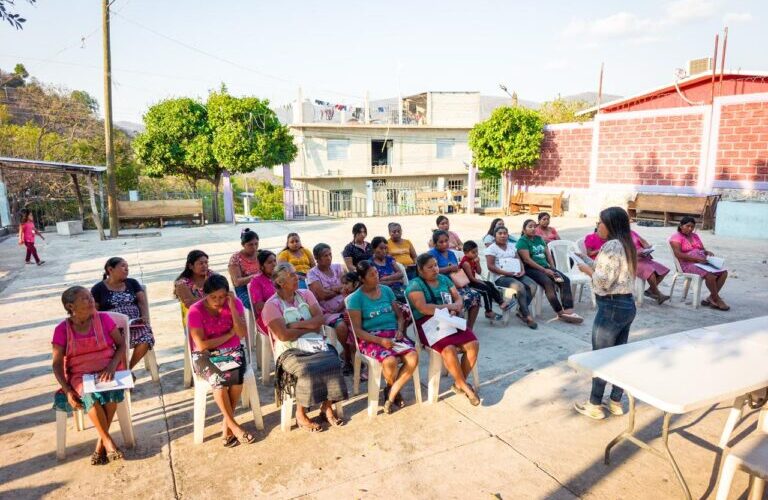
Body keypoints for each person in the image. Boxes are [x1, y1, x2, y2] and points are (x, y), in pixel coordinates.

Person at [262, 263, 348, 432]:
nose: (297, 278)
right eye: (292, 276)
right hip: (289, 350)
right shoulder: (272, 305)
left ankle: (326, 406)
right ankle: (300, 414)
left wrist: (296, 325)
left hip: (315, 342)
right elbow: (283, 335)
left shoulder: (306, 295)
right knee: (307, 369)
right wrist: (309, 327)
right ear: (280, 282)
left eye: (295, 274)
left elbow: (320, 321)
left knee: (334, 361)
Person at [573, 207, 638, 420]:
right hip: (626, 304)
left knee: (601, 357)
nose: (597, 226)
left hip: (611, 306)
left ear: (610, 225)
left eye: (600, 222)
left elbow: (602, 280)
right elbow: (610, 271)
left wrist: (586, 270)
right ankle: (616, 401)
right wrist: (587, 260)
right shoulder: (626, 244)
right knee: (618, 355)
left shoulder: (611, 245)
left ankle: (594, 404)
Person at [52, 286, 127, 464]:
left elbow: (121, 345)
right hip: (80, 375)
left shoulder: (104, 319)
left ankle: (101, 445)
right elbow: (56, 364)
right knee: (89, 396)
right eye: (84, 298)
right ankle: (106, 441)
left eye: (91, 297)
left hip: (109, 369)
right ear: (71, 306)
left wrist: (111, 366)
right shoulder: (62, 329)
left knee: (110, 395)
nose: (91, 300)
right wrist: (68, 390)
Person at [187, 274, 256, 446]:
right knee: (219, 380)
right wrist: (229, 334)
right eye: (213, 297)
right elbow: (202, 345)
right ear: (205, 294)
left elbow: (241, 333)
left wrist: (232, 306)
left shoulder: (234, 304)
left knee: (237, 380)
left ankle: (227, 426)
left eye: (222, 296)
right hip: (205, 356)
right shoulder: (195, 311)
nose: (218, 301)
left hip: (232, 352)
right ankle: (233, 425)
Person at [407, 253, 480, 406]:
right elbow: (423, 308)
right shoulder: (415, 285)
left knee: (473, 344)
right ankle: (466, 387)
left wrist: (456, 306)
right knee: (448, 349)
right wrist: (449, 307)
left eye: (436, 265)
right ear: (420, 270)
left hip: (449, 318)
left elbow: (457, 297)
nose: (435, 269)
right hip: (428, 323)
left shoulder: (444, 279)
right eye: (430, 267)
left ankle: (459, 383)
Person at [346, 261, 419, 413]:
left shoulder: (386, 290)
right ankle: (393, 392)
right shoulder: (355, 299)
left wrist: (400, 330)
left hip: (393, 334)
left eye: (376, 273)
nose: (376, 276)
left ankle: (391, 392)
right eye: (372, 275)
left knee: (413, 356)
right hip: (370, 338)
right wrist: (380, 341)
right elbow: (357, 331)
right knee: (390, 361)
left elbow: (400, 316)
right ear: (362, 279)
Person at [91, 257, 155, 372]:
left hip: (134, 325)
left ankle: (127, 370)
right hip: (112, 329)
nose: (127, 269)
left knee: (146, 339)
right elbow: (95, 312)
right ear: (110, 269)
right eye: (123, 266)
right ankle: (122, 370)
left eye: (127, 267)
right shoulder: (98, 288)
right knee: (112, 346)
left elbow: (141, 301)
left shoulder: (132, 283)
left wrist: (144, 315)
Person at [517, 220, 583, 324]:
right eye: (530, 226)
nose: (533, 228)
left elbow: (548, 255)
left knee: (563, 280)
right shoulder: (522, 241)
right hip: (531, 270)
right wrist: (545, 270)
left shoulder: (539, 239)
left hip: (546, 267)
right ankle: (560, 312)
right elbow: (527, 260)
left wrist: (553, 268)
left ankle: (568, 311)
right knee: (548, 283)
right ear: (524, 229)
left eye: (534, 226)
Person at [306, 243, 353, 374]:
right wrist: (340, 289)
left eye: (330, 254)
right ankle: (348, 358)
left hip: (346, 305)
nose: (328, 258)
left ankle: (349, 354)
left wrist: (331, 289)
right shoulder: (312, 274)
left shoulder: (338, 268)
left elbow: (350, 287)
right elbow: (322, 296)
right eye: (325, 256)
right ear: (317, 258)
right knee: (342, 326)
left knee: (359, 320)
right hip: (327, 311)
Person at [669, 216, 729, 311]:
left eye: (692, 227)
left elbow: (701, 249)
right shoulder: (676, 237)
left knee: (723, 273)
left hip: (701, 261)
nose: (690, 229)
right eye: (688, 226)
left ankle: (711, 297)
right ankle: (716, 299)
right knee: (710, 276)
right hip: (687, 264)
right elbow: (678, 254)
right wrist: (696, 258)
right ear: (681, 226)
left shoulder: (695, 236)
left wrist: (706, 252)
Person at [427, 230, 481, 331]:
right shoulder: (431, 255)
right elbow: (431, 272)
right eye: (441, 242)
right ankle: (456, 327)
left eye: (446, 241)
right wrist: (449, 269)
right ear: (435, 244)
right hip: (440, 286)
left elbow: (456, 269)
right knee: (462, 298)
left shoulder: (451, 253)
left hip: (455, 283)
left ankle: (469, 328)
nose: (445, 244)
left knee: (476, 295)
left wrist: (454, 269)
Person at [485, 226, 538, 329]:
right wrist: (506, 273)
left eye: (505, 233)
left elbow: (518, 260)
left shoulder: (512, 246)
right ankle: (527, 316)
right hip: (501, 277)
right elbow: (490, 266)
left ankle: (522, 309)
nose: (503, 235)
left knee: (533, 285)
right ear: (495, 236)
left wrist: (522, 270)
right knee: (520, 287)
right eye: (500, 233)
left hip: (515, 273)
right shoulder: (491, 249)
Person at [460, 240, 511, 322]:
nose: (476, 254)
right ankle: (488, 311)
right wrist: (481, 282)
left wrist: (478, 263)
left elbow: (479, 272)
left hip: (474, 281)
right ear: (466, 252)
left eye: (476, 252)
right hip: (467, 284)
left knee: (490, 284)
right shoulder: (466, 263)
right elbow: (471, 278)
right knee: (486, 290)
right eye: (473, 252)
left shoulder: (473, 259)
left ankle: (500, 302)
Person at [630, 230, 670, 305]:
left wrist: (647, 246)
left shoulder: (631, 232)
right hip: (631, 260)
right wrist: (637, 253)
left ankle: (651, 291)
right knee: (651, 272)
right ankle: (657, 293)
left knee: (663, 270)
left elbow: (643, 241)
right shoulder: (617, 235)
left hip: (643, 257)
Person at [174, 250, 212, 322]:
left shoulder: (212, 275)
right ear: (190, 266)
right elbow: (191, 304)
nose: (204, 266)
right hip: (195, 319)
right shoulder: (182, 284)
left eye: (206, 263)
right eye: (201, 263)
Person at [228, 228, 260, 309]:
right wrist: (257, 276)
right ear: (243, 244)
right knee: (258, 303)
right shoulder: (236, 258)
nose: (254, 247)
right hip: (244, 289)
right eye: (250, 244)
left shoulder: (260, 255)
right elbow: (237, 282)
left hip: (262, 286)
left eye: (256, 244)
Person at [248, 250, 277, 334]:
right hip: (268, 316)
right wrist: (279, 307)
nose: (274, 264)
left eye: (275, 261)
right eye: (269, 262)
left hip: (284, 312)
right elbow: (259, 306)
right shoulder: (256, 281)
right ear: (262, 266)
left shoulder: (279, 276)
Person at [370, 236, 406, 301]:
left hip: (399, 290)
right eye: (381, 248)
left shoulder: (389, 259)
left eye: (385, 248)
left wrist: (385, 278)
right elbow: (377, 283)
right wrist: (396, 280)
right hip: (384, 293)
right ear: (373, 249)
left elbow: (400, 274)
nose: (384, 251)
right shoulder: (370, 264)